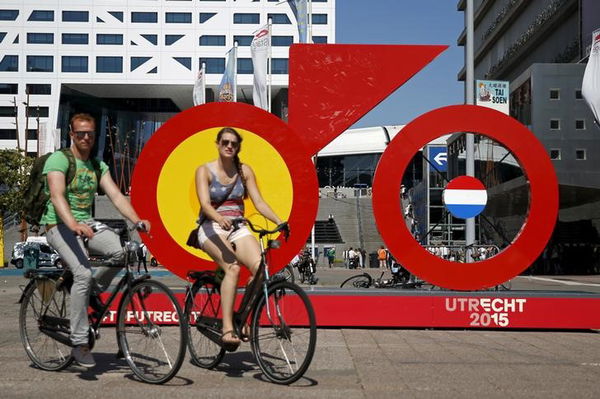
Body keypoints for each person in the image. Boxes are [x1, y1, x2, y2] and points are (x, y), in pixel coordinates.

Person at [42, 113, 151, 368]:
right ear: (72, 134)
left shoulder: (97, 165)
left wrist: (137, 220)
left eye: (90, 133)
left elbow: (116, 195)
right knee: (82, 273)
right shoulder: (59, 160)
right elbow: (57, 196)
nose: (86, 137)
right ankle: (80, 342)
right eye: (80, 133)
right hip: (58, 224)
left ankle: (91, 291)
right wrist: (73, 225)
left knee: (123, 252)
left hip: (86, 224)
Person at [195, 127, 284, 349]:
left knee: (261, 270)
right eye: (225, 142)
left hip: (238, 226)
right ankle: (227, 328)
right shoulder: (204, 171)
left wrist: (280, 221)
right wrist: (218, 217)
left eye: (234, 144)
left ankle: (244, 317)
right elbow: (205, 205)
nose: (229, 146)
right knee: (233, 267)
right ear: (217, 144)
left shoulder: (244, 171)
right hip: (211, 226)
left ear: (238, 147)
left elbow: (259, 202)